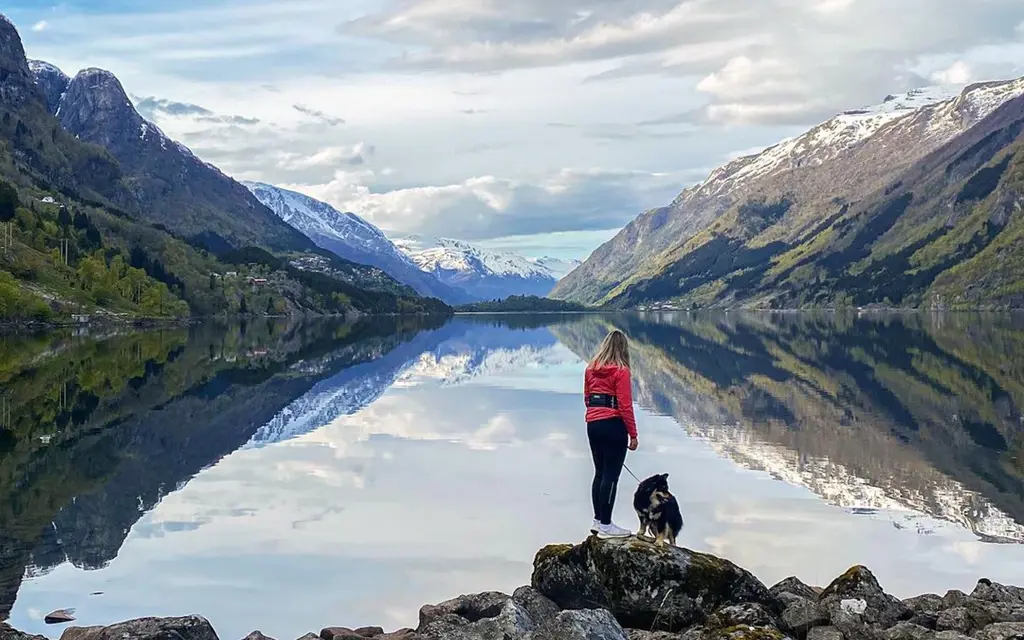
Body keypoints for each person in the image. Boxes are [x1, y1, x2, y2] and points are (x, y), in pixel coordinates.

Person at [583, 329, 638, 538]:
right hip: (613, 425)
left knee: (599, 473)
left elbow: (587, 399)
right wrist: (633, 434)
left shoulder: (590, 369)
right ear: (623, 348)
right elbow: (625, 405)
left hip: (593, 424)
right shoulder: (621, 371)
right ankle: (606, 525)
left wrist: (596, 416)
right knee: (611, 476)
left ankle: (598, 520)